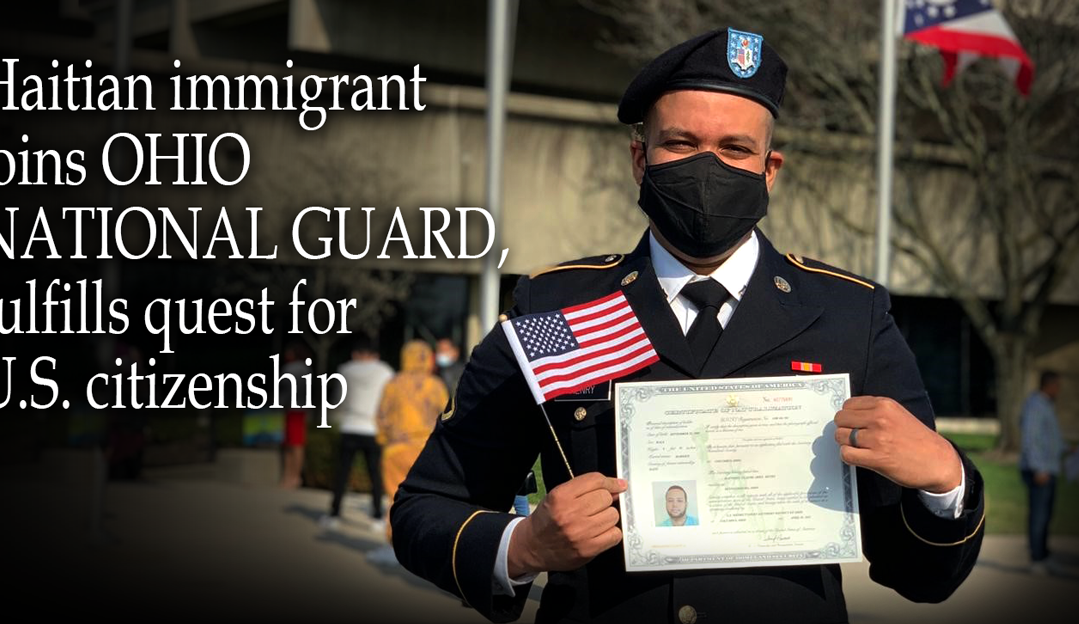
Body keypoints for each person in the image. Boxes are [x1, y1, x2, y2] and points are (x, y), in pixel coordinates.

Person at [390, 28, 985, 623]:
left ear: (769, 169)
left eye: (734, 149)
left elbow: (921, 576)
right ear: (639, 158)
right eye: (680, 142)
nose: (708, 167)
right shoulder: (556, 308)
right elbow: (426, 507)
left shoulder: (849, 315)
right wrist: (522, 548)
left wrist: (944, 479)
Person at [369, 340, 449, 563]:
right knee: (428, 500)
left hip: (397, 449)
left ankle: (395, 545)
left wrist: (385, 439)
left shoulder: (394, 384)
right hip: (426, 451)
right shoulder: (436, 385)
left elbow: (381, 416)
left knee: (395, 499)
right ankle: (426, 547)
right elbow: (445, 418)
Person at [321, 334, 395, 533]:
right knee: (375, 474)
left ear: (355, 353)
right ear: (375, 354)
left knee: (342, 473)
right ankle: (377, 518)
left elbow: (338, 400)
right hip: (373, 429)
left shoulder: (345, 370)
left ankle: (334, 514)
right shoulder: (385, 371)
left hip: (350, 426)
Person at [1019, 370, 1066, 575]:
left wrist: (1066, 448)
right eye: (1058, 385)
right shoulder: (1036, 405)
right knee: (1038, 516)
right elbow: (1031, 439)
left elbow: (1049, 437)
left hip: (1049, 468)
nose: (1059, 390)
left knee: (1046, 515)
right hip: (1040, 470)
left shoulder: (1046, 405)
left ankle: (1045, 555)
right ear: (1049, 385)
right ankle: (1036, 559)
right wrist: (1039, 468)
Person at [279, 340, 311, 490]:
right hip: (301, 409)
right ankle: (294, 476)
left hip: (292, 409)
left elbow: (284, 391)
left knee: (292, 445)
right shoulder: (306, 369)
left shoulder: (289, 369)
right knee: (296, 444)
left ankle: (289, 476)